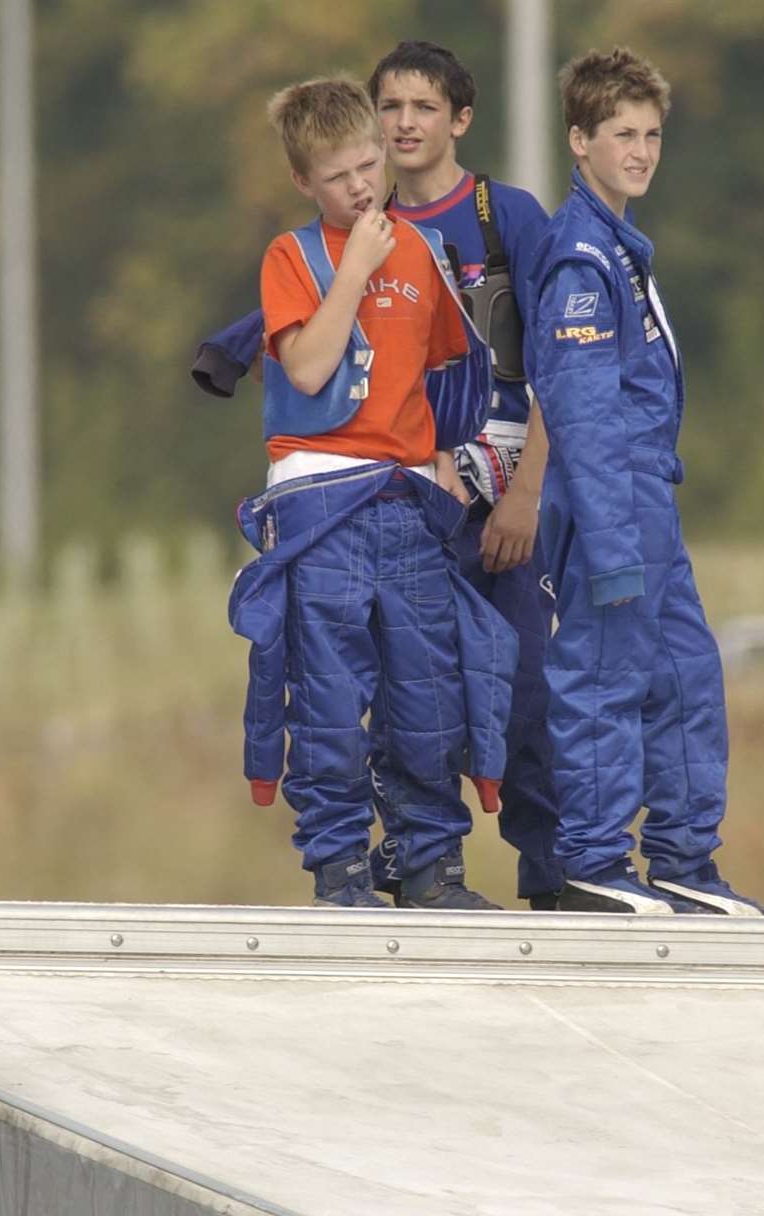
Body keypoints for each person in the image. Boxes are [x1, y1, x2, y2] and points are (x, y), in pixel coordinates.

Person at [229, 75, 517, 908]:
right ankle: (341, 869)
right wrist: (354, 267)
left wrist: (449, 466)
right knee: (325, 699)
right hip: (321, 506)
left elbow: (441, 378)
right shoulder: (294, 256)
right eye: (337, 176)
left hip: (408, 502)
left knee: (430, 692)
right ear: (303, 183)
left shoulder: (424, 255)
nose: (359, 187)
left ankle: (430, 866)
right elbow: (312, 366)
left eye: (368, 166)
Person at [527, 48, 764, 916]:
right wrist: (609, 540)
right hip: (612, 500)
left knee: (685, 676)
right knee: (603, 673)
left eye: (652, 134)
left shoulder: (623, 247)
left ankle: (681, 857)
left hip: (651, 501)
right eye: (622, 134)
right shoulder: (581, 260)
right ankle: (594, 858)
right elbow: (585, 418)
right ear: (579, 141)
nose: (640, 150)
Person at [364, 40, 562, 911]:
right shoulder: (362, 223)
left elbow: (562, 366)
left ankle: (558, 876)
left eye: (424, 108)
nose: (407, 123)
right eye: (392, 107)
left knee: (530, 692)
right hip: (405, 503)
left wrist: (524, 496)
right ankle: (422, 865)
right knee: (413, 691)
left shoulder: (504, 215)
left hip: (507, 505)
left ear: (460, 119)